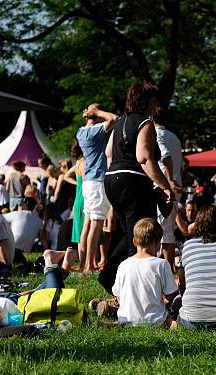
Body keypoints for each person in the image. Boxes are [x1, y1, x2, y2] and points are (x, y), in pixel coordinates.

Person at [100, 83, 173, 295]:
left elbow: (108, 153)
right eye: (154, 100)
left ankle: (109, 275)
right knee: (140, 235)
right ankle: (133, 292)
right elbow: (144, 157)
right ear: (147, 101)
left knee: (126, 233)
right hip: (133, 181)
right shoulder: (145, 123)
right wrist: (165, 186)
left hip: (112, 179)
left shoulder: (120, 122)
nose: (157, 104)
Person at [106, 218, 178, 327]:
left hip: (126, 320)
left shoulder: (123, 265)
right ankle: (170, 323)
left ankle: (111, 315)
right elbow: (170, 295)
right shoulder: (162, 264)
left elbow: (118, 295)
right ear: (158, 244)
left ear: (134, 241)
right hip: (155, 321)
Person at [76, 103, 118, 273]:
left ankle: (84, 265)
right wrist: (98, 112)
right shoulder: (95, 131)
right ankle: (87, 267)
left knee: (88, 224)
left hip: (89, 182)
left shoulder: (80, 132)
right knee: (96, 224)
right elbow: (115, 118)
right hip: (97, 181)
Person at [153, 111, 183, 270]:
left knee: (164, 230)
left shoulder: (157, 135)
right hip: (175, 186)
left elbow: (166, 156)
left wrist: (169, 180)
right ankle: (168, 267)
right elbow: (182, 165)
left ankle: (166, 268)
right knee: (168, 227)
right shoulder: (174, 137)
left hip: (164, 186)